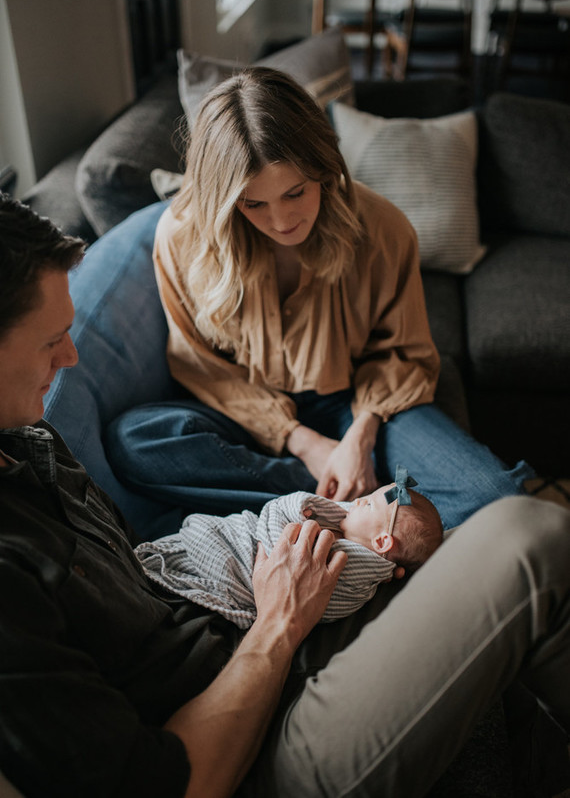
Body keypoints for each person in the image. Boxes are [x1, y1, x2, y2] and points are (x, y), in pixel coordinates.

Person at [2, 194, 570, 798]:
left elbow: (145, 580)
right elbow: (176, 785)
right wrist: (277, 622)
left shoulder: (31, 443)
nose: (72, 357)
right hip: (248, 748)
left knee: (463, 543)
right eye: (51, 340)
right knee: (527, 538)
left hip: (244, 638)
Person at [105, 66, 532, 530]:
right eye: (253, 204)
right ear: (226, 200)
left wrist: (359, 440)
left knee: (498, 501)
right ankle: (359, 507)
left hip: (357, 403)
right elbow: (202, 368)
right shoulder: (183, 238)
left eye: (296, 192)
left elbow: (403, 352)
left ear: (323, 169)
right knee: (135, 441)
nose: (282, 220)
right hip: (249, 413)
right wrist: (306, 444)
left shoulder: (383, 228)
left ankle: (336, 503)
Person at [136, 467, 443, 628]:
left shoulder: (351, 568)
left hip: (241, 565)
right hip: (244, 547)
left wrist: (298, 509)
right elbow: (345, 510)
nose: (357, 500)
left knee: (192, 537)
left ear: (381, 542)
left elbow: (275, 526)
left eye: (367, 503)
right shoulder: (361, 548)